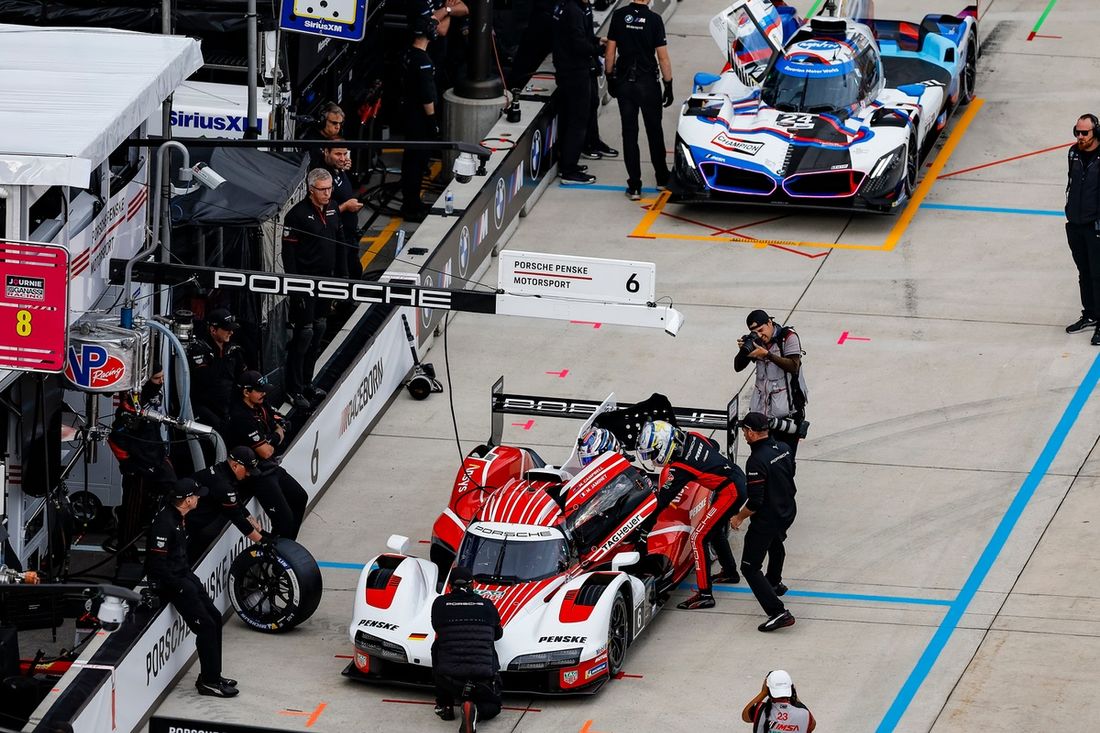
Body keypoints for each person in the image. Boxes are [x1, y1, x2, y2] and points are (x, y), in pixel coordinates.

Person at [636, 420, 746, 610]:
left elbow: (662, 501)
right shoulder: (693, 436)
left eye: (653, 453)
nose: (652, 458)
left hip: (730, 492)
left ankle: (705, 594)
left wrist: (645, 528)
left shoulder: (680, 467)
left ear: (663, 445)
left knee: (698, 538)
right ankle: (730, 572)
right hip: (736, 478)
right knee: (715, 530)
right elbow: (715, 446)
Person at [146, 478, 239, 698]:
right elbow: (156, 565)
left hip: (185, 575)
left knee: (215, 617)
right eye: (196, 496)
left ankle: (214, 674)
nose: (199, 498)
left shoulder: (178, 517)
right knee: (205, 626)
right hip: (173, 584)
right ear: (187, 500)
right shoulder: (164, 523)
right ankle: (209, 682)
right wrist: (179, 586)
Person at [282, 168, 344, 408]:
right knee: (304, 334)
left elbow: (340, 244)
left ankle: (307, 382)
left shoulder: (333, 209)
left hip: (327, 281)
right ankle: (293, 388)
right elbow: (289, 255)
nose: (328, 193)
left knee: (319, 329)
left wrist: (344, 277)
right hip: (305, 283)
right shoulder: (296, 216)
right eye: (322, 189)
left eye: (330, 188)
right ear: (311, 190)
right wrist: (295, 287)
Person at [731, 412, 798, 632]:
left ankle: (778, 612)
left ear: (751, 432)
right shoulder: (785, 448)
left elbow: (756, 501)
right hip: (787, 510)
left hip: (768, 517)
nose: (744, 435)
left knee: (749, 567)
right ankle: (775, 582)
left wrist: (739, 517)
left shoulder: (756, 461)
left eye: (744, 431)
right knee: (776, 543)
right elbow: (790, 474)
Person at [224, 371, 309, 540]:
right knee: (284, 520)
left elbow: (279, 423)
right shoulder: (240, 416)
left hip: (270, 467)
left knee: (300, 497)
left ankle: (286, 547)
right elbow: (266, 450)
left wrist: (273, 435)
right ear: (246, 392)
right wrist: (276, 435)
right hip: (255, 474)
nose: (264, 393)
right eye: (259, 390)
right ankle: (276, 555)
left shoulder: (259, 404)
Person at [604, 0, 673, 199]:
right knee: (654, 131)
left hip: (625, 82)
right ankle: (662, 178)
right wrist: (668, 84)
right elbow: (663, 57)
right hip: (648, 83)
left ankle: (634, 186)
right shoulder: (654, 19)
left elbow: (610, 53)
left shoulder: (618, 16)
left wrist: (610, 77)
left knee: (629, 133)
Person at [107, 371, 176, 564]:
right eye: (157, 379)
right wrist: (129, 464)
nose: (161, 382)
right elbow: (114, 438)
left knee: (174, 495)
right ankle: (126, 556)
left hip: (157, 460)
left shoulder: (151, 400)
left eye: (162, 378)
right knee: (132, 514)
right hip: (139, 470)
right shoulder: (131, 407)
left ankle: (164, 547)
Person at [431, 566, 503, 732]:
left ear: (450, 586)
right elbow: (498, 634)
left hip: (450, 679)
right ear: (472, 585)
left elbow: (437, 628)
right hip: (482, 679)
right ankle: (475, 709)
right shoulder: (486, 605)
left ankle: (445, 705)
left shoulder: (439, 604)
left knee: (437, 646)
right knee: (494, 707)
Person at [733, 309, 809, 466]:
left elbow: (794, 366)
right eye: (755, 332)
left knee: (785, 463)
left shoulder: (788, 337)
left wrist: (766, 355)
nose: (760, 335)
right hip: (763, 417)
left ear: (770, 322)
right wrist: (744, 351)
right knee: (762, 463)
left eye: (761, 330)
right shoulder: (756, 341)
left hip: (786, 415)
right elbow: (737, 367)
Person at [186, 446, 265, 562]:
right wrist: (262, 541)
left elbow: (236, 501)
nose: (248, 474)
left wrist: (252, 520)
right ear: (235, 465)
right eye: (247, 470)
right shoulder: (223, 485)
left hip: (195, 518)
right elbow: (238, 518)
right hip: (189, 527)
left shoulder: (222, 471)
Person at [552, 0, 599, 185]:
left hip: (564, 69)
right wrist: (600, 49)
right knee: (578, 120)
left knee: (569, 119)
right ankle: (569, 170)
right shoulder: (574, 12)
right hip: (575, 72)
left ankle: (568, 163)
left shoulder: (562, 6)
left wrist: (595, 41)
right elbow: (579, 45)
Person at [401, 18, 441, 222]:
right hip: (419, 119)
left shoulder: (409, 54)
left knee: (411, 161)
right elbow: (427, 95)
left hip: (409, 114)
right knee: (417, 162)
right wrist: (432, 121)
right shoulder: (423, 61)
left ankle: (411, 201)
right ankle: (411, 205)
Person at [1065, 113, 1100, 342]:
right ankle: (1089, 314)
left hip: (1095, 226)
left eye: (1084, 132)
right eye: (1077, 131)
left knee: (1098, 274)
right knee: (1084, 272)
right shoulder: (1073, 153)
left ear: (1094, 132)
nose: (1080, 136)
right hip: (1075, 224)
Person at [186, 308, 247, 434]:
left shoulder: (232, 349)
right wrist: (222, 358)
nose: (231, 333)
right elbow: (206, 380)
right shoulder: (199, 348)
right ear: (213, 330)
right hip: (205, 409)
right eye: (227, 329)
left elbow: (242, 377)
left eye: (232, 329)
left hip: (227, 407)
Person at [320, 142, 365, 279]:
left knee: (355, 272)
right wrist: (345, 206)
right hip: (337, 239)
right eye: (338, 154)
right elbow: (321, 213)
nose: (343, 158)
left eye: (345, 154)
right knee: (344, 276)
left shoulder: (339, 169)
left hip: (350, 235)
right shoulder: (323, 178)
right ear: (326, 152)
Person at [741, 670, 816, 732]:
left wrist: (763, 693)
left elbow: (745, 716)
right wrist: (794, 695)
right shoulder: (804, 713)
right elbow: (811, 726)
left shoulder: (760, 709)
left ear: (767, 689)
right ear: (790, 688)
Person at [304, 102, 345, 169]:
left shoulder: (337, 139)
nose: (338, 127)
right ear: (323, 122)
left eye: (340, 123)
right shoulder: (312, 142)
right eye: (334, 123)